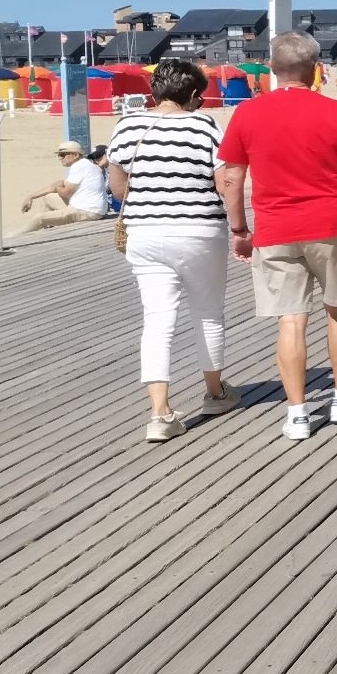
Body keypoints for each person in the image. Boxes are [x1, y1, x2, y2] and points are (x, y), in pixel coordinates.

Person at [215, 30, 337, 441]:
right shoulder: (335, 111)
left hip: (275, 229)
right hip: (331, 225)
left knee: (290, 320)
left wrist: (239, 230)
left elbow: (231, 177)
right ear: (316, 68)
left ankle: (297, 414)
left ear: (272, 68)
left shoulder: (247, 113)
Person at [105, 60, 235, 441]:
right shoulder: (205, 126)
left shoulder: (127, 125)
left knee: (157, 319)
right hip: (200, 231)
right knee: (208, 313)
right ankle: (215, 393)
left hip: (145, 232)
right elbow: (223, 183)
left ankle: (160, 414)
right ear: (193, 95)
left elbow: (118, 188)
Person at [20, 137, 111, 231]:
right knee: (48, 198)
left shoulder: (78, 166)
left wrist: (58, 187)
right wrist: (31, 197)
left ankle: (16, 237)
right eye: (59, 155)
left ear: (75, 155)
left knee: (39, 218)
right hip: (90, 209)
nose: (60, 158)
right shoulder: (84, 164)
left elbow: (65, 193)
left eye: (63, 155)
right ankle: (50, 230)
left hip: (88, 212)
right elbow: (53, 187)